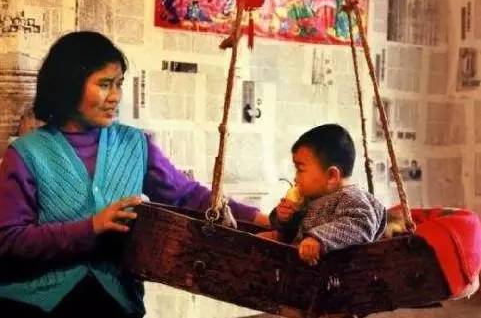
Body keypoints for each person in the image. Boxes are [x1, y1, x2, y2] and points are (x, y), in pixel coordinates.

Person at [0, 31, 268, 318]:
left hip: (117, 303)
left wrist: (260, 220)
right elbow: (8, 239)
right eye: (105, 84)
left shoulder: (135, 144)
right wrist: (90, 229)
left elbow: (186, 196)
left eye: (119, 84)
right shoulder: (27, 153)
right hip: (36, 303)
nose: (115, 96)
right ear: (69, 86)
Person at [264, 124, 386, 265]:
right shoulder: (311, 197)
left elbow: (359, 224)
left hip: (335, 273)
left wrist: (318, 239)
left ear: (331, 176)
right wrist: (285, 218)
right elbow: (291, 231)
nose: (295, 178)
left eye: (300, 169)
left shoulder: (351, 197)